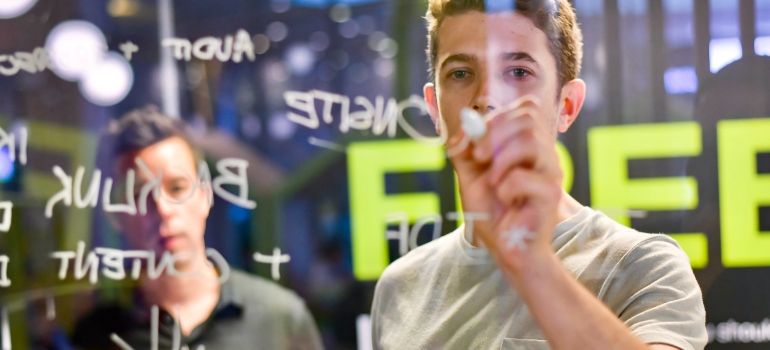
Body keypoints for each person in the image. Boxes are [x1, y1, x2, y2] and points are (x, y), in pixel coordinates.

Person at [370, 1, 707, 349]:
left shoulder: (644, 268)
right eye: (460, 73)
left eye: (518, 72)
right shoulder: (400, 286)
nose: (486, 98)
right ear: (435, 109)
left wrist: (531, 262)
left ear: (567, 106)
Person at [71, 106, 323, 350]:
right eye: (140, 194)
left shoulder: (278, 318)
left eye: (177, 188)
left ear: (204, 197)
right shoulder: (98, 337)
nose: (163, 208)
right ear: (117, 214)